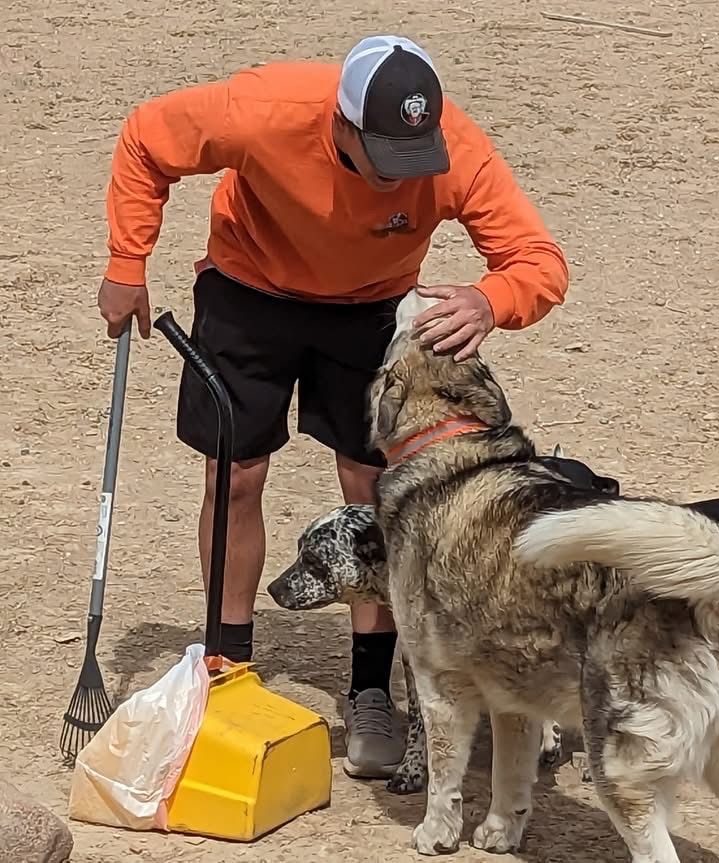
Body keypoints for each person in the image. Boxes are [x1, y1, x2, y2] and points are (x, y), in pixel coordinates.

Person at [97, 34, 569, 781]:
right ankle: (224, 667)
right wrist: (128, 262)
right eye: (382, 154)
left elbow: (539, 261)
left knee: (372, 486)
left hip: (370, 312)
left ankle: (372, 687)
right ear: (342, 125)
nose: (398, 178)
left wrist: (491, 299)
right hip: (250, 291)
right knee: (235, 474)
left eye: (412, 156)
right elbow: (146, 137)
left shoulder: (458, 150)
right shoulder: (264, 109)